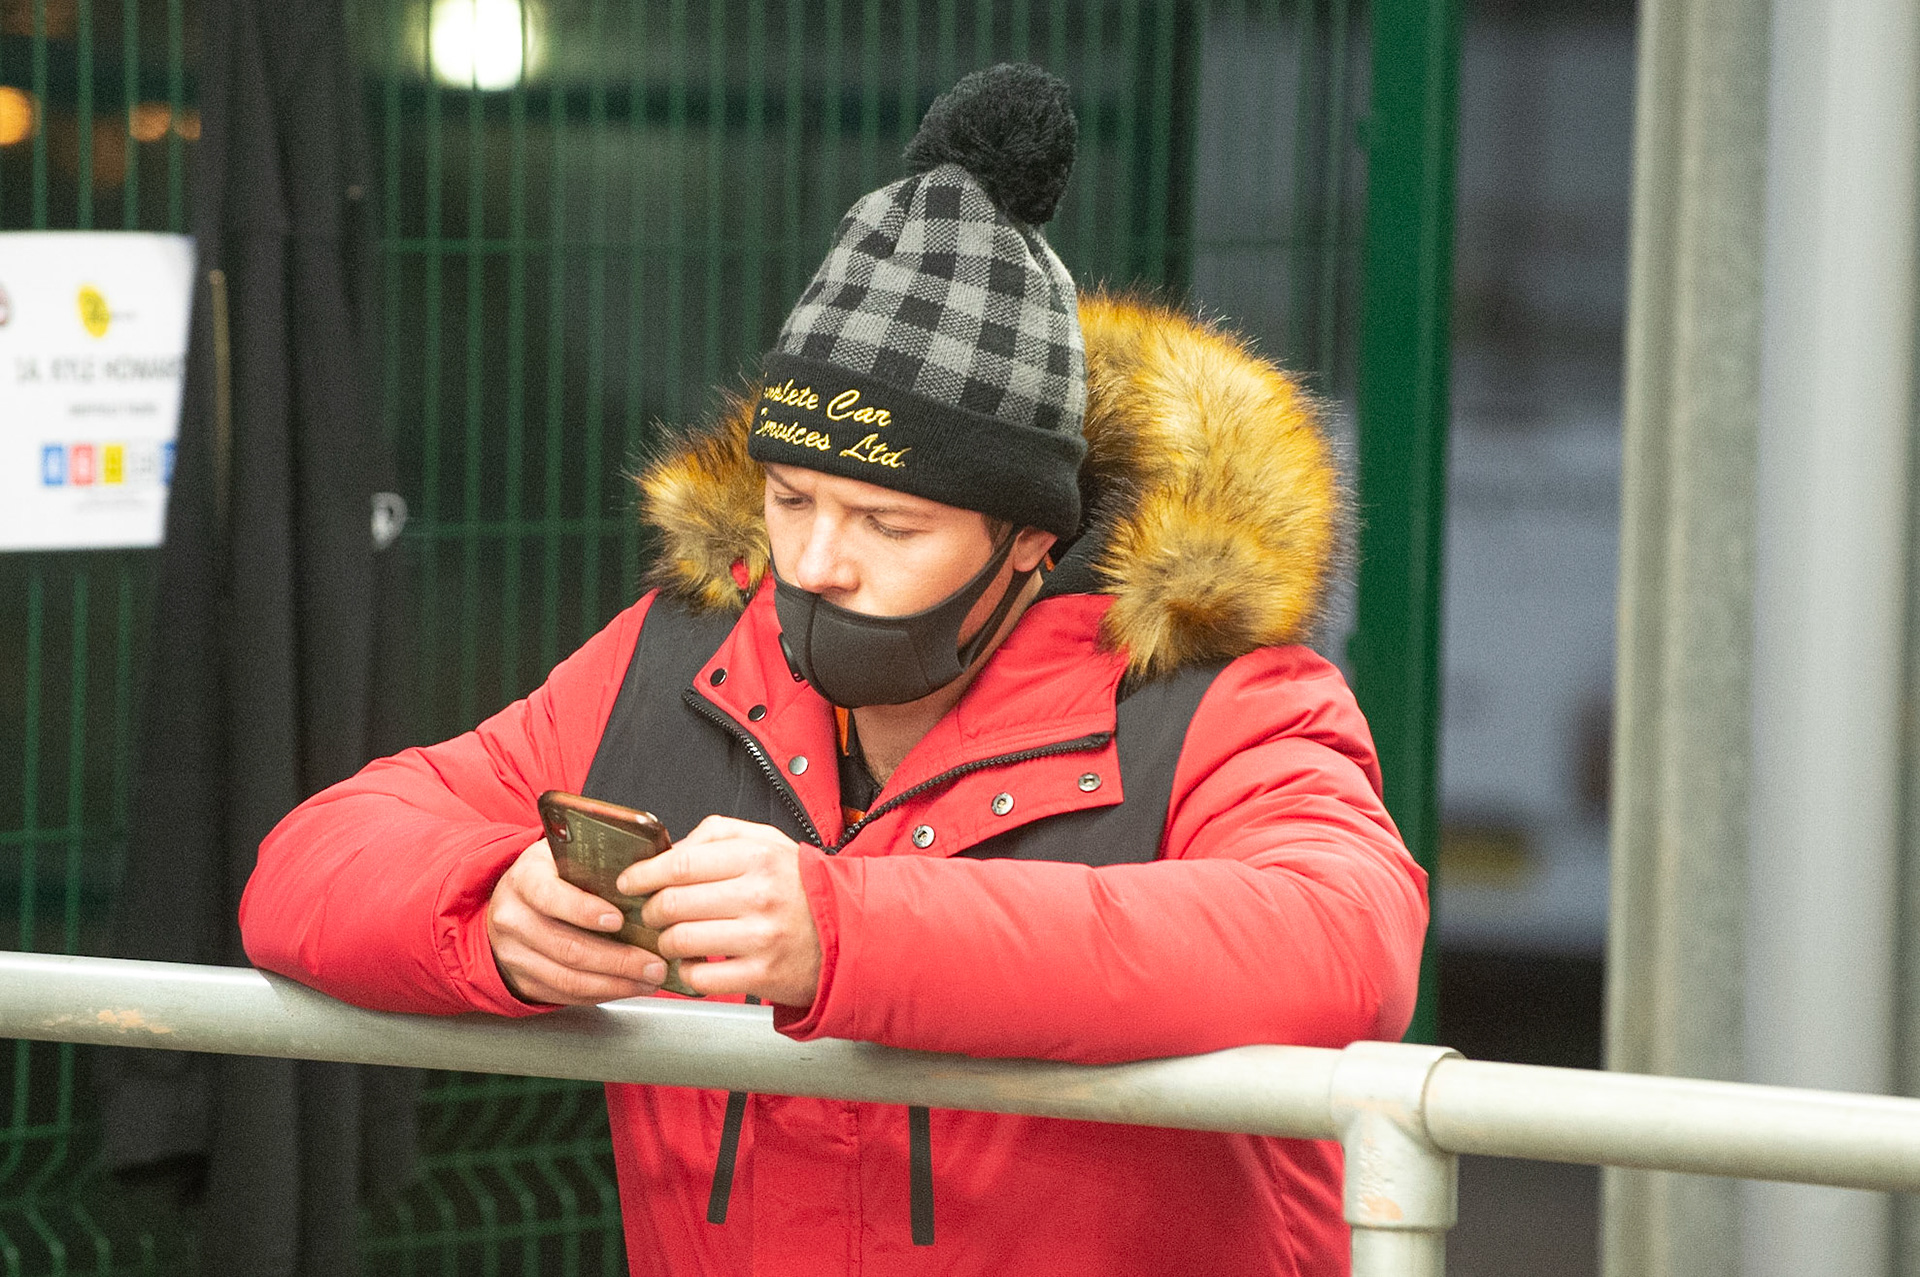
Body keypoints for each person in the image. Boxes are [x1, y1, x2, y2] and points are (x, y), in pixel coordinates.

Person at [240, 63, 1427, 1277]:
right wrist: (489, 908)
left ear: (1030, 540)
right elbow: (309, 863)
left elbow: (1345, 938)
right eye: (792, 497)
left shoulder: (1218, 701)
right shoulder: (678, 658)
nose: (814, 562)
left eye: (888, 525)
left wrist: (844, 934)